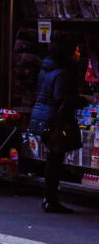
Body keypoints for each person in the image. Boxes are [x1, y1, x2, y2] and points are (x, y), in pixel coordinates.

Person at [29, 36, 92, 213]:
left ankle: (50, 198)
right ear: (68, 52)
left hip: (43, 117)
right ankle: (51, 199)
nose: (79, 53)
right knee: (55, 159)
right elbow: (60, 98)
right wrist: (83, 100)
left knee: (53, 158)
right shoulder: (63, 73)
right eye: (76, 50)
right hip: (54, 120)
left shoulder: (47, 69)